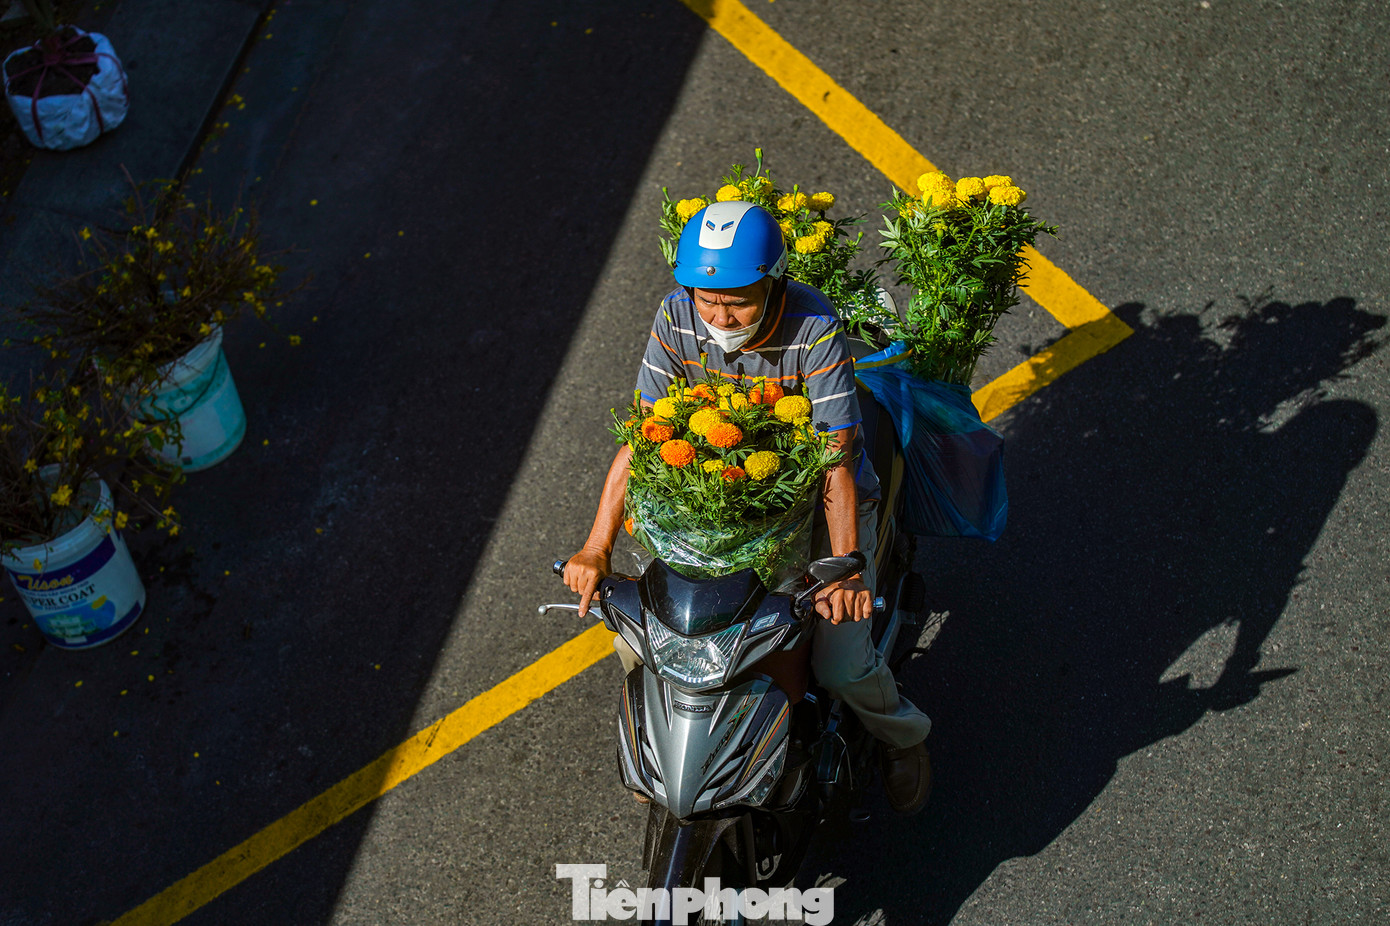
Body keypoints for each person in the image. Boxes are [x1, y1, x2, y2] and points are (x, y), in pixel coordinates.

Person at [563, 200, 931, 814]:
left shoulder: (814, 327)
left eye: (736, 299)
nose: (718, 315)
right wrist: (596, 547)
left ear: (774, 280)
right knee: (642, 637)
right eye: (706, 299)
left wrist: (846, 568)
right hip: (720, 512)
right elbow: (640, 440)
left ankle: (902, 737)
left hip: (818, 507)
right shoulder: (676, 317)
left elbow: (835, 464)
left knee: (841, 662)